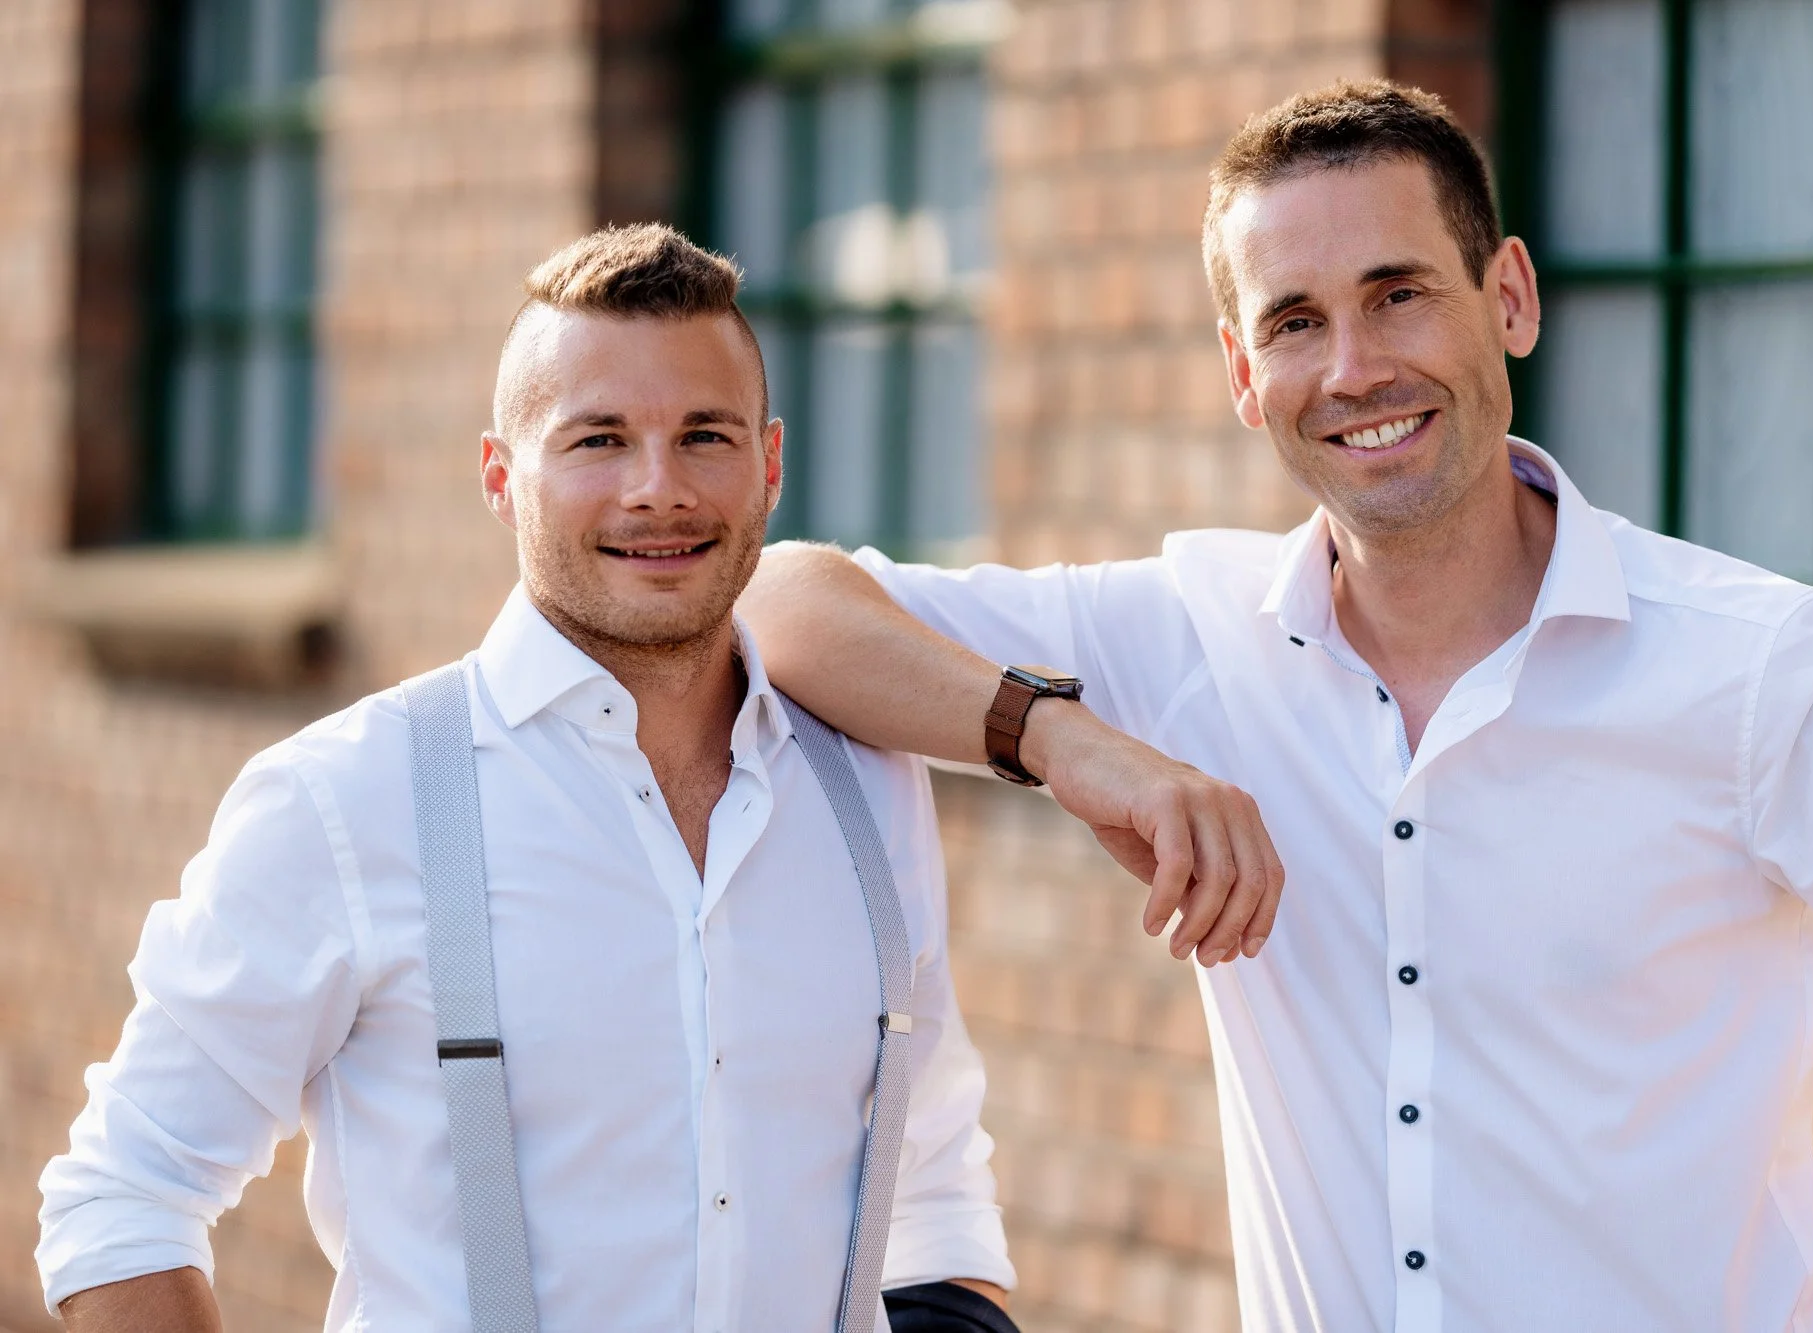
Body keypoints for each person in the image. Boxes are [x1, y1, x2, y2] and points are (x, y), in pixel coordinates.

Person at [739, 81, 1813, 1331]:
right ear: (1243, 372)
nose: (1352, 368)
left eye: (1397, 294)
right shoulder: (1187, 633)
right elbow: (777, 602)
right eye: (1293, 322)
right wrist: (1062, 739)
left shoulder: (1756, 676)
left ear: (1506, 297)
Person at [35, 224, 1276, 1332]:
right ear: (498, 474)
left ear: (769, 465)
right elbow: (125, 1198)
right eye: (597, 441)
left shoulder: (862, 790)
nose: (657, 488)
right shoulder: (343, 804)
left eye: (703, 436)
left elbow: (929, 1179)